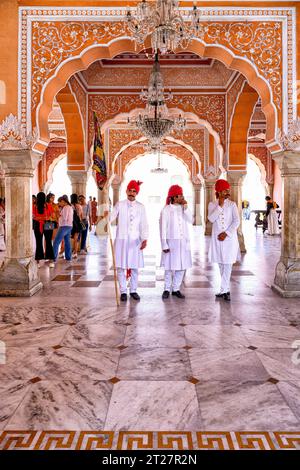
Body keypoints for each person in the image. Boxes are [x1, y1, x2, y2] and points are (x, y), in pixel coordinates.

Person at [105, 180, 148, 302]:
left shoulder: (141, 207)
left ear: (137, 193)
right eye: (130, 190)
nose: (132, 193)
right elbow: (112, 217)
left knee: (134, 267)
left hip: (135, 241)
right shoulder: (120, 204)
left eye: (134, 191)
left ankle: (133, 290)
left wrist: (144, 238)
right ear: (126, 191)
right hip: (122, 240)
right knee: (120, 267)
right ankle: (123, 291)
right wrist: (106, 215)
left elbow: (144, 224)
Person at [208, 179, 240, 301]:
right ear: (219, 191)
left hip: (229, 239)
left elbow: (236, 221)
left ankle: (224, 290)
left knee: (228, 264)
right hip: (217, 239)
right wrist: (220, 206)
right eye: (225, 190)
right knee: (221, 264)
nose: (227, 192)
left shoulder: (232, 204)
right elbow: (211, 219)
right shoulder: (212, 204)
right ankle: (224, 290)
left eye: (228, 190)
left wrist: (226, 233)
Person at [160, 185, 193, 299]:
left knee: (181, 266)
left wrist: (186, 207)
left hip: (183, 242)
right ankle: (166, 289)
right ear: (173, 197)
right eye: (180, 196)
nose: (182, 197)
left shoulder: (184, 208)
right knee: (169, 267)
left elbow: (192, 220)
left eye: (182, 195)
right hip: (171, 242)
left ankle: (176, 288)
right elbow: (163, 228)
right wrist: (164, 244)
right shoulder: (166, 209)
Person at [32, 191, 55, 267]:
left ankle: (38, 262)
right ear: (45, 198)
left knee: (38, 242)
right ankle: (51, 261)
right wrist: (46, 217)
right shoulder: (48, 205)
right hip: (48, 224)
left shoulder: (34, 206)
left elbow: (33, 216)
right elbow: (52, 215)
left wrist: (39, 218)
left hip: (37, 224)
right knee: (48, 242)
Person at [53, 195, 73, 262]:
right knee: (67, 242)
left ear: (63, 201)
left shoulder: (66, 208)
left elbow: (65, 218)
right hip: (69, 226)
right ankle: (68, 257)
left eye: (59, 202)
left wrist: (59, 215)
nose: (59, 204)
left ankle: (53, 258)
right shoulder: (70, 207)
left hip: (64, 226)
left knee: (56, 242)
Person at [70, 193, 83, 258]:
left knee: (71, 238)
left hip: (72, 223)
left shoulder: (71, 206)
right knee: (77, 238)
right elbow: (81, 216)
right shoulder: (80, 206)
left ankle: (72, 251)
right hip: (78, 223)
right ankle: (75, 252)